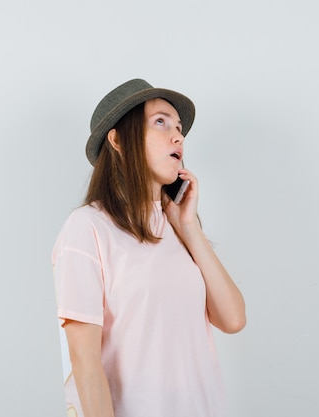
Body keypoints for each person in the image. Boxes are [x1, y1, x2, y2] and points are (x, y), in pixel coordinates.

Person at [52, 78, 246, 417]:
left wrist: (189, 229)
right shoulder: (88, 228)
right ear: (118, 141)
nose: (178, 136)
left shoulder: (180, 231)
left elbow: (232, 319)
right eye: (161, 122)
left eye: (179, 128)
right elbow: (85, 363)